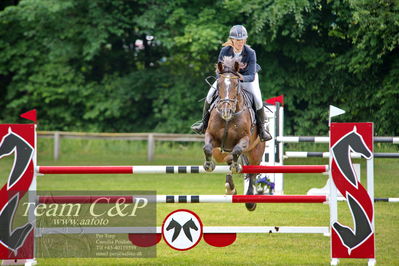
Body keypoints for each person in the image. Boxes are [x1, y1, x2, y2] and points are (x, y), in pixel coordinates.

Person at [191, 25, 272, 142]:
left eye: (243, 39)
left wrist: (240, 77)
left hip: (247, 78)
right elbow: (219, 70)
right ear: (232, 40)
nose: (240, 42)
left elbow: (251, 75)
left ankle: (262, 130)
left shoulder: (250, 53)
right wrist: (224, 79)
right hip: (227, 79)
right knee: (209, 95)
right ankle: (203, 124)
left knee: (257, 99)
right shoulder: (225, 51)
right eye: (238, 40)